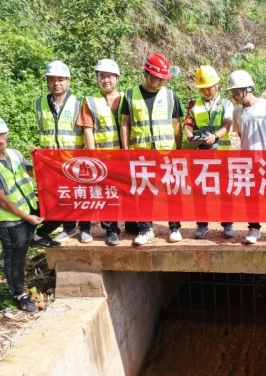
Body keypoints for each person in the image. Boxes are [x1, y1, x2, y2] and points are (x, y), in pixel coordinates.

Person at [0, 115, 61, 313]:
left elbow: (31, 172)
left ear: (7, 134)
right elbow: (3, 200)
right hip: (11, 221)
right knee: (16, 258)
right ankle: (20, 294)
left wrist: (40, 160)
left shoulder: (14, 155)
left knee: (61, 210)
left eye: (1, 134)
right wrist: (28, 218)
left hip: (29, 207)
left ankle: (36, 236)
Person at [120, 52, 183, 245]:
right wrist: (125, 149)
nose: (162, 81)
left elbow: (176, 124)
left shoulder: (170, 96)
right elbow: (125, 123)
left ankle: (174, 228)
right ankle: (146, 229)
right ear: (146, 73)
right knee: (144, 192)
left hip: (167, 152)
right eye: (158, 77)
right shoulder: (130, 95)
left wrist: (179, 151)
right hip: (141, 153)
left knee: (172, 191)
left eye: (164, 78)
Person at [228, 69, 266, 244]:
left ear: (246, 89)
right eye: (232, 93)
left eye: (236, 92)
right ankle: (254, 229)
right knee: (251, 196)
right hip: (248, 162)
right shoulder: (237, 112)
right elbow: (241, 135)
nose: (234, 96)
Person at [183, 65, 235, 239]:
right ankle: (202, 225)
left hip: (222, 154)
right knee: (200, 191)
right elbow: (188, 123)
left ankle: (227, 224)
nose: (206, 91)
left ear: (216, 84)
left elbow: (227, 125)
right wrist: (190, 135)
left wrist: (215, 136)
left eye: (209, 87)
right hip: (201, 155)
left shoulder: (226, 104)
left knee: (224, 191)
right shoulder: (194, 105)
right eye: (202, 88)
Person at [78, 59, 123, 245]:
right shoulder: (90, 101)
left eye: (109, 76)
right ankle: (109, 230)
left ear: (117, 78)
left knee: (123, 193)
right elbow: (88, 129)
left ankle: (128, 226)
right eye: (101, 76)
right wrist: (93, 156)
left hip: (123, 156)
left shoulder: (126, 98)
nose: (106, 80)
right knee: (103, 193)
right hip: (102, 157)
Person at [35, 60, 82, 243]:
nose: (56, 83)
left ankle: (70, 227)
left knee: (71, 193)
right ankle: (55, 227)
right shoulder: (39, 103)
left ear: (68, 81)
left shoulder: (78, 103)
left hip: (70, 158)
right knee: (55, 194)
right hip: (49, 160)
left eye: (60, 79)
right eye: (52, 79)